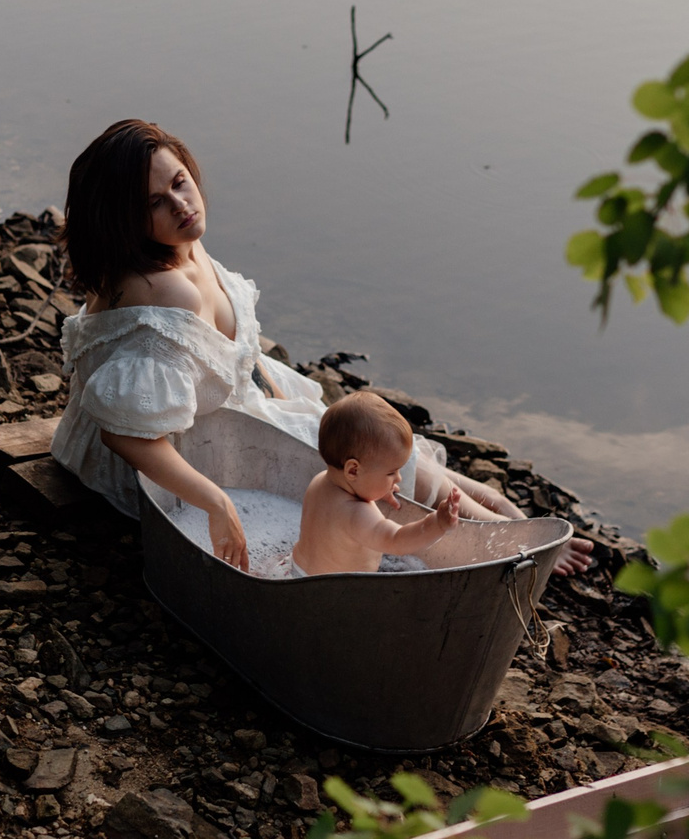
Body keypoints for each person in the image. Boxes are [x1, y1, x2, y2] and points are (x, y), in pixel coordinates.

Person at [47, 119, 564, 570]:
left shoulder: (172, 242)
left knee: (380, 453)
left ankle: (512, 526)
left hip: (222, 408)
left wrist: (281, 396)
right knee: (367, 477)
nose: (181, 205)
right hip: (171, 463)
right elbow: (126, 436)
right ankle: (507, 547)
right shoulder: (167, 291)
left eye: (180, 182)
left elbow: (218, 352)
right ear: (127, 220)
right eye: (155, 203)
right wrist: (217, 505)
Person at [292, 392, 463, 577]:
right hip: (334, 594)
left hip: (296, 572)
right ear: (353, 471)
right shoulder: (357, 513)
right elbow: (396, 541)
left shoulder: (319, 481)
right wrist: (436, 523)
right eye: (391, 473)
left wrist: (378, 488)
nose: (398, 479)